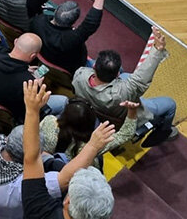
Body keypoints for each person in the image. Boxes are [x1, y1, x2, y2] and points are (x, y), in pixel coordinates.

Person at [20, 81, 116, 219]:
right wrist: (92, 146)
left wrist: (32, 110)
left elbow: (32, 157)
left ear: (67, 201)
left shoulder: (38, 208)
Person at [73, 27, 178, 147]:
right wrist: (158, 50)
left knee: (127, 76)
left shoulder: (79, 75)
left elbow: (137, 80)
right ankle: (164, 132)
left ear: (94, 66)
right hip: (125, 118)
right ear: (117, 74)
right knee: (170, 104)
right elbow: (140, 80)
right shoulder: (124, 92)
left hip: (95, 110)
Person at [30, 0, 105, 76]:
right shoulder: (71, 39)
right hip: (71, 67)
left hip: (44, 57)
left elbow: (90, 25)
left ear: (56, 11)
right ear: (74, 22)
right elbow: (90, 24)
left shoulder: (38, 21)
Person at [0, 33, 68, 121]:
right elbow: (39, 113)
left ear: (15, 41)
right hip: (19, 114)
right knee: (64, 101)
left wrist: (24, 70)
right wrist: (38, 90)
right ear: (33, 56)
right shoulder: (29, 84)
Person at [40, 98, 139, 163]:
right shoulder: (92, 145)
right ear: (91, 122)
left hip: (45, 163)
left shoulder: (49, 121)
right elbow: (125, 134)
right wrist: (132, 112)